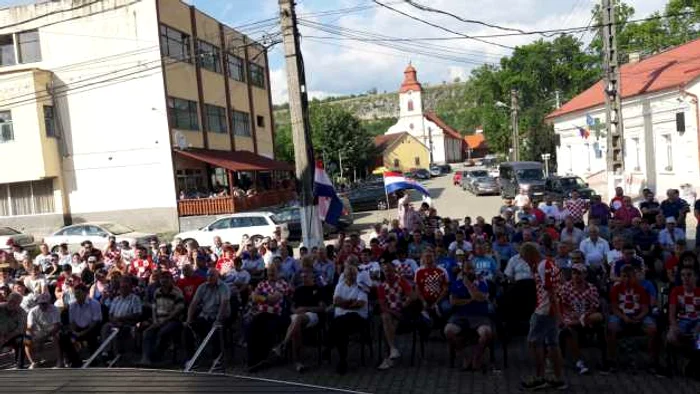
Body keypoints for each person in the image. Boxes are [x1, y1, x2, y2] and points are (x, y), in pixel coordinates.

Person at [520, 242, 567, 390]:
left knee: (534, 343)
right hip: (552, 309)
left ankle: (539, 378)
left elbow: (550, 292)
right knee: (553, 344)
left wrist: (558, 315)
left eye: (525, 258)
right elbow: (561, 284)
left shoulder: (542, 266)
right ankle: (558, 378)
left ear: (530, 254)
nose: (526, 262)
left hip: (544, 310)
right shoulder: (551, 263)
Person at [602, 265, 658, 374]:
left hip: (638, 315)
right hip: (620, 315)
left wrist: (638, 317)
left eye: (629, 276)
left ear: (634, 277)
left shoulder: (641, 290)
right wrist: (624, 317)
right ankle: (611, 360)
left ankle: (652, 361)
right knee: (611, 328)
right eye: (624, 276)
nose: (626, 279)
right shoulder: (616, 289)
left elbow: (645, 308)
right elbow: (614, 308)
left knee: (653, 329)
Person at [444, 260, 492, 371]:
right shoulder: (456, 283)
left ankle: (477, 357)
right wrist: (470, 299)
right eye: (467, 268)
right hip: (461, 316)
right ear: (463, 270)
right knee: (448, 331)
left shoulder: (482, 282)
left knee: (486, 333)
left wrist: (468, 286)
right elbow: (454, 302)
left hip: (480, 316)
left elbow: (480, 297)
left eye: (472, 268)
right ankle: (465, 356)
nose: (470, 271)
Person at [274, 268, 324, 373]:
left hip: (312, 315)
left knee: (298, 319)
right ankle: (298, 363)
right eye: (302, 277)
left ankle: (283, 344)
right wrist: (296, 310)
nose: (304, 279)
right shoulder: (298, 290)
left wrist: (305, 308)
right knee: (297, 326)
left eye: (306, 277)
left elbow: (322, 308)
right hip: (297, 315)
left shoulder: (318, 289)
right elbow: (292, 307)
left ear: (312, 278)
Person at [558, 264, 603, 375]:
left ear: (585, 275)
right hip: (571, 316)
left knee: (599, 316)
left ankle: (579, 322)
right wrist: (575, 315)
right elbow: (563, 305)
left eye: (579, 273)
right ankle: (579, 361)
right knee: (569, 330)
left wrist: (584, 314)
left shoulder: (591, 288)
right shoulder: (565, 287)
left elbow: (594, 306)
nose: (576, 276)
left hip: (587, 316)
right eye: (574, 273)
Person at [246, 262, 292, 370]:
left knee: (268, 328)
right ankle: (252, 360)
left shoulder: (283, 284)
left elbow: (273, 300)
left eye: (273, 271)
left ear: (278, 272)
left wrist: (260, 297)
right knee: (251, 327)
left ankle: (263, 359)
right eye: (269, 271)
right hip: (262, 313)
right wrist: (262, 297)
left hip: (277, 314)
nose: (271, 273)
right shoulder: (262, 284)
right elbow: (252, 298)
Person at [376, 262, 418, 370]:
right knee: (387, 319)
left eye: (390, 270)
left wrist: (405, 303)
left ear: (394, 271)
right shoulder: (381, 286)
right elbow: (382, 305)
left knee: (387, 324)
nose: (388, 273)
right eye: (385, 271)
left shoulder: (401, 281)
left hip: (403, 312)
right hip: (391, 313)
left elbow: (413, 296)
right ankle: (392, 350)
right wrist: (394, 312)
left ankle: (389, 356)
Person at [329, 265, 368, 375]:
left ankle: (329, 345)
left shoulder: (361, 287)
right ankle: (342, 360)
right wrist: (350, 302)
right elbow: (336, 301)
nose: (351, 276)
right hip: (341, 319)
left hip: (357, 317)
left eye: (353, 274)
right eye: (349, 274)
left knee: (339, 322)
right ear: (344, 275)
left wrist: (344, 304)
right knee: (341, 328)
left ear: (357, 275)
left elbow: (359, 304)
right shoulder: (339, 286)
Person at [140, 274, 185, 366]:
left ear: (171, 280)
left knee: (163, 332)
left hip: (173, 320)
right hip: (159, 320)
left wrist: (165, 321)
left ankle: (159, 357)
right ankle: (146, 358)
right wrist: (155, 321)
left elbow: (179, 309)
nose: (164, 280)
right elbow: (154, 308)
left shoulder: (177, 292)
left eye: (167, 278)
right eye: (162, 278)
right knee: (147, 332)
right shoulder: (157, 292)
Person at [186, 269, 230, 359]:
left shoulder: (224, 287)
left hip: (220, 315)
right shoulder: (202, 287)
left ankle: (217, 360)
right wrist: (189, 319)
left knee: (216, 330)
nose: (210, 277)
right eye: (208, 275)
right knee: (187, 330)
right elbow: (194, 303)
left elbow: (224, 304)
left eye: (212, 275)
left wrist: (218, 320)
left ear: (217, 276)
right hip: (205, 315)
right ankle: (191, 358)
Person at [101, 276, 143, 361]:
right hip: (115, 322)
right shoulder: (116, 299)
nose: (123, 289)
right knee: (106, 327)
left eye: (125, 287)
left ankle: (117, 356)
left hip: (128, 323)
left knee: (118, 329)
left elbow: (137, 314)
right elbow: (110, 314)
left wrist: (121, 319)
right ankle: (106, 352)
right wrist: (114, 320)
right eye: (121, 287)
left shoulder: (135, 299)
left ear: (130, 287)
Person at [61, 284, 102, 368]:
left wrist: (83, 333)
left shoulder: (94, 304)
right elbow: (72, 322)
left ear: (85, 293)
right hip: (78, 328)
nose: (77, 295)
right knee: (63, 337)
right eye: (75, 293)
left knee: (92, 335)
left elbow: (95, 322)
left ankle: (94, 360)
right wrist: (74, 332)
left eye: (79, 293)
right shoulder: (72, 305)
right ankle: (75, 361)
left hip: (92, 328)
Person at [667, 267, 700, 352]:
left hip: (698, 320)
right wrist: (674, 326)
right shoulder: (676, 291)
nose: (685, 277)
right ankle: (689, 351)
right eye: (682, 275)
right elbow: (672, 313)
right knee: (670, 337)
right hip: (682, 320)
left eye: (689, 275)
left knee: (698, 341)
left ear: (696, 277)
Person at [24, 293, 61, 368]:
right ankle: (33, 362)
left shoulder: (55, 309)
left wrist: (44, 337)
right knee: (26, 339)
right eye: (41, 303)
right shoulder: (33, 311)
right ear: (38, 303)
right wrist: (33, 337)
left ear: (49, 302)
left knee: (57, 337)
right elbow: (29, 327)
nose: (43, 305)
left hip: (51, 331)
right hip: (38, 332)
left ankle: (59, 361)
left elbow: (56, 326)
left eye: (45, 303)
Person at [414, 248, 449, 320]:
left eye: (430, 256)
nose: (428, 258)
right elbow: (417, 289)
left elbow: (445, 289)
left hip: (440, 299)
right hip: (424, 299)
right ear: (422, 258)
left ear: (434, 257)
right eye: (426, 256)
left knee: (447, 307)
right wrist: (423, 301)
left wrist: (436, 303)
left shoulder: (442, 270)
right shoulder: (419, 271)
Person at [0, 292, 27, 368]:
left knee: (24, 339)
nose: (12, 303)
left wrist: (5, 338)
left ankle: (19, 365)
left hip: (12, 337)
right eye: (11, 301)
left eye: (15, 302)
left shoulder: (22, 313)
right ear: (7, 299)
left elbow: (20, 330)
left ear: (19, 303)